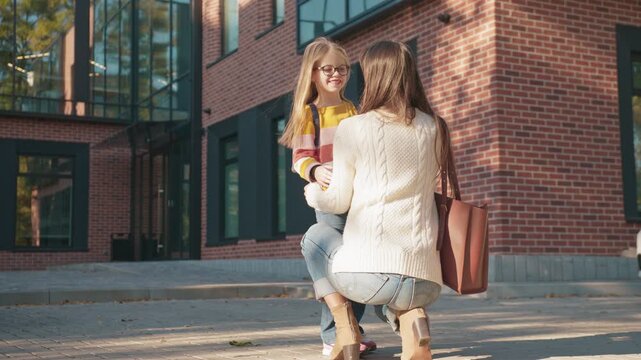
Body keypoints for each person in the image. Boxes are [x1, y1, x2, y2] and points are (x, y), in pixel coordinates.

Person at [302, 40, 454, 360]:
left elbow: (338, 203)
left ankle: (345, 328)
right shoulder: (436, 127)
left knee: (315, 238)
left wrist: (314, 192)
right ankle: (410, 316)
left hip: (372, 281)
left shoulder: (353, 127)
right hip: (426, 282)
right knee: (391, 272)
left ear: (372, 77)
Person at [278, 37, 376, 357]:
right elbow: (300, 159)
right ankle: (332, 336)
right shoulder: (310, 113)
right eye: (329, 69)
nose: (336, 74)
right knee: (337, 265)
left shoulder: (352, 108)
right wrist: (317, 170)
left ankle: (353, 330)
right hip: (332, 201)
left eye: (343, 68)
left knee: (358, 265)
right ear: (314, 73)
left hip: (358, 199)